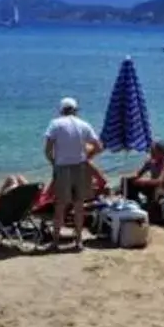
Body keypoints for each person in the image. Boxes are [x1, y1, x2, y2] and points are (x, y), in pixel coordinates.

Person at [41, 97, 103, 246]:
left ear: (61, 110)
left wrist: (53, 163)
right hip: (80, 167)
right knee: (78, 206)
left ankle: (56, 241)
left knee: (60, 205)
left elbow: (48, 149)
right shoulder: (84, 125)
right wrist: (87, 156)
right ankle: (79, 241)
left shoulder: (55, 124)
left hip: (62, 168)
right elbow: (99, 146)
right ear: (75, 110)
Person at [125, 140, 164, 222]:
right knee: (128, 183)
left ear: (161, 152)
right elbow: (139, 173)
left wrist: (143, 182)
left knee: (156, 188)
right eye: (151, 151)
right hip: (154, 186)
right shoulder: (151, 160)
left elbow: (160, 181)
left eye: (153, 151)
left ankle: (152, 210)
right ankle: (134, 205)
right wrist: (131, 178)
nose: (151, 153)